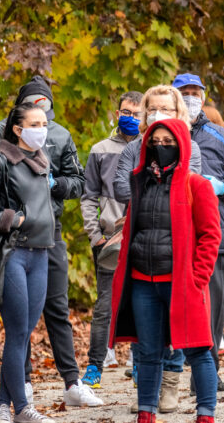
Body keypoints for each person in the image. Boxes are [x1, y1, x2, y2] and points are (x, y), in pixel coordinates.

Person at [0, 76, 101, 408]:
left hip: (48, 233)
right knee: (18, 319)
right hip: (11, 238)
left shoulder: (59, 135)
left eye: (46, 108)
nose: (41, 118)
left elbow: (78, 181)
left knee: (56, 307)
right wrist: (10, 205)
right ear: (19, 114)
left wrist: (53, 186)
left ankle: (71, 382)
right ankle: (20, 387)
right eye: (34, 108)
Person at [108, 118, 222, 423]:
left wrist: (198, 278)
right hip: (143, 281)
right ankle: (146, 411)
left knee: (198, 349)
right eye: (155, 142)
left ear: (182, 145)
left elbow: (211, 235)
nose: (161, 148)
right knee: (148, 352)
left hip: (183, 282)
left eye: (168, 143)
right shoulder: (140, 183)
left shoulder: (196, 185)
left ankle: (206, 413)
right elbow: (133, 229)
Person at [0, 103, 57, 423]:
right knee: (18, 331)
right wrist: (8, 218)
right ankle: (23, 408)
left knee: (22, 335)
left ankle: (4, 405)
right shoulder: (0, 162)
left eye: (44, 122)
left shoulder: (42, 162)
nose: (42, 129)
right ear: (18, 130)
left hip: (42, 254)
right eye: (35, 123)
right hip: (13, 255)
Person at [172, 73, 224, 399]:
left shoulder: (221, 136)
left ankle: (207, 378)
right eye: (184, 93)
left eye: (195, 92)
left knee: (215, 311)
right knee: (174, 310)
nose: (191, 98)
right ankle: (162, 381)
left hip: (217, 236)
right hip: (173, 236)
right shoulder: (162, 135)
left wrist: (221, 187)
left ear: (203, 97)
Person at [80, 91, 143, 389]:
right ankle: (95, 365)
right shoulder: (100, 149)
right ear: (117, 113)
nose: (130, 118)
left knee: (142, 301)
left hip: (143, 239)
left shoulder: (152, 148)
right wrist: (94, 235)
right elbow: (88, 195)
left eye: (136, 113)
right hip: (108, 241)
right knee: (105, 305)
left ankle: (138, 363)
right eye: (125, 112)